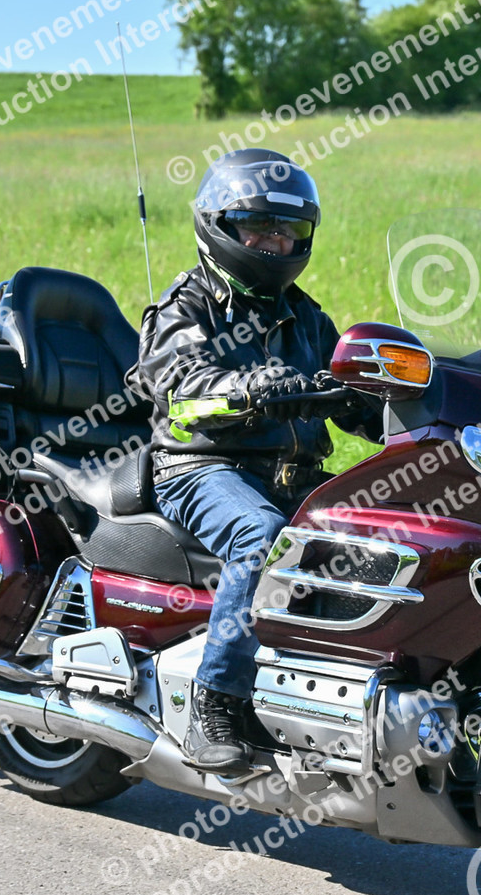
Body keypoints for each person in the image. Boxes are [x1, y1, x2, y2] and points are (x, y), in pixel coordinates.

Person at [128, 148, 380, 775]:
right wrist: (248, 390)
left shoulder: (307, 316)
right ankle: (217, 701)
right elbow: (182, 391)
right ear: (220, 225)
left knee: (395, 532)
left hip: (292, 476)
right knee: (262, 535)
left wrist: (414, 401)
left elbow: (355, 397)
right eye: (259, 224)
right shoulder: (186, 308)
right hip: (201, 470)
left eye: (289, 227)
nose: (275, 239)